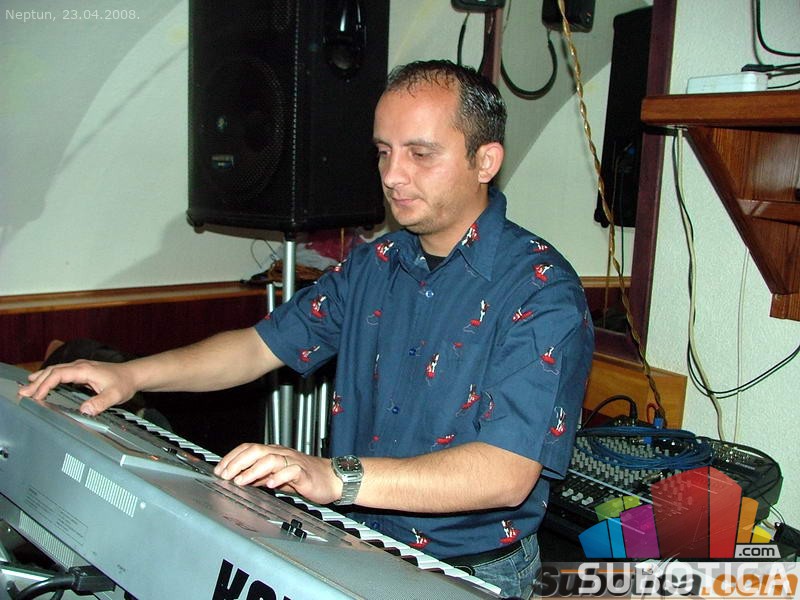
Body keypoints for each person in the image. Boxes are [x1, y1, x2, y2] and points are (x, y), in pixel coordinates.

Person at [20, 59, 594, 599]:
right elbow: (256, 348)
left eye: (420, 154)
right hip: (355, 543)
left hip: (470, 570)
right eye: (384, 152)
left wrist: (334, 477)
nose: (393, 176)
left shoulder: (541, 289)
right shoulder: (374, 264)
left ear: (485, 161)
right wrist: (130, 375)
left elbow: (505, 473)